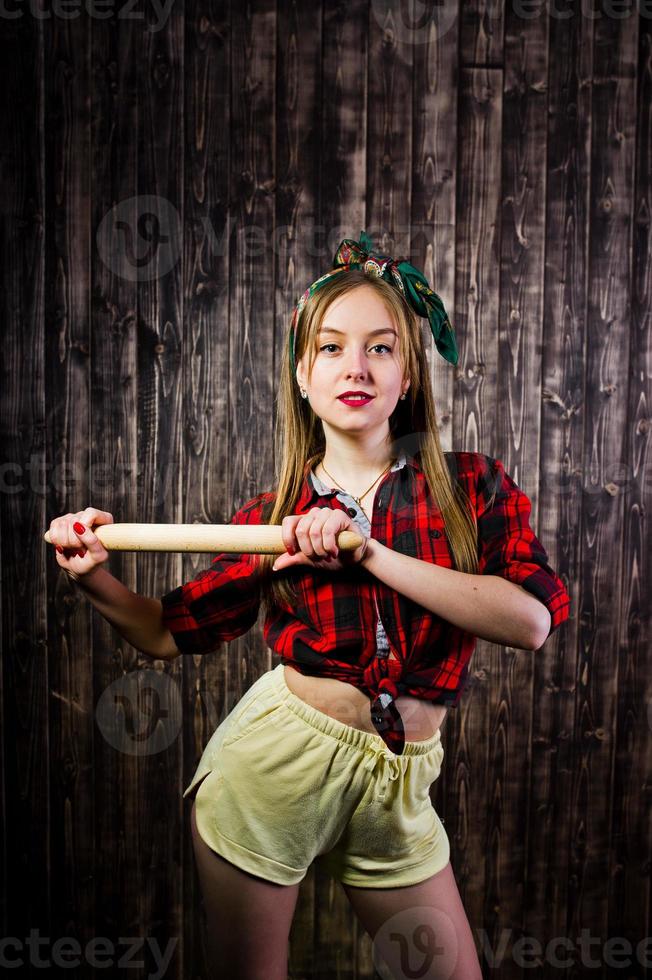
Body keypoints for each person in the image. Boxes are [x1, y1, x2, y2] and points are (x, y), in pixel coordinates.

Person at [47, 232, 570, 980]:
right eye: (330, 348)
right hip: (277, 770)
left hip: (399, 781)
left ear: (409, 373)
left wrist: (369, 550)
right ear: (302, 374)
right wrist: (91, 575)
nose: (355, 366)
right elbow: (164, 633)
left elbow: (530, 621)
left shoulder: (471, 488)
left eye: (381, 348)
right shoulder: (276, 515)